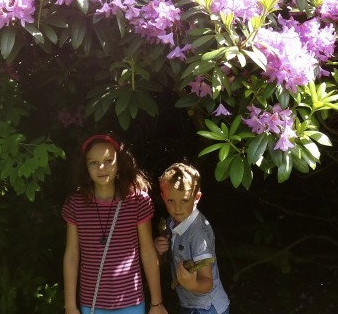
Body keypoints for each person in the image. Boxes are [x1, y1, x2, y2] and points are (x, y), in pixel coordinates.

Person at [62, 134, 168, 314]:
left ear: (119, 163)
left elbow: (148, 251)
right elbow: (72, 254)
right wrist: (70, 306)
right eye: (93, 162)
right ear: (85, 167)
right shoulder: (76, 204)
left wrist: (156, 303)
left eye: (109, 160)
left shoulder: (137, 201)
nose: (101, 167)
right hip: (91, 303)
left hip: (131, 302)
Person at [154, 163, 230, 314]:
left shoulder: (197, 233)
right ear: (163, 197)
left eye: (184, 200)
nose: (177, 208)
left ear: (197, 197)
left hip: (207, 307)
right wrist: (158, 250)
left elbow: (207, 282)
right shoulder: (171, 222)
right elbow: (167, 258)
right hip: (189, 303)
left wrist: (191, 284)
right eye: (171, 201)